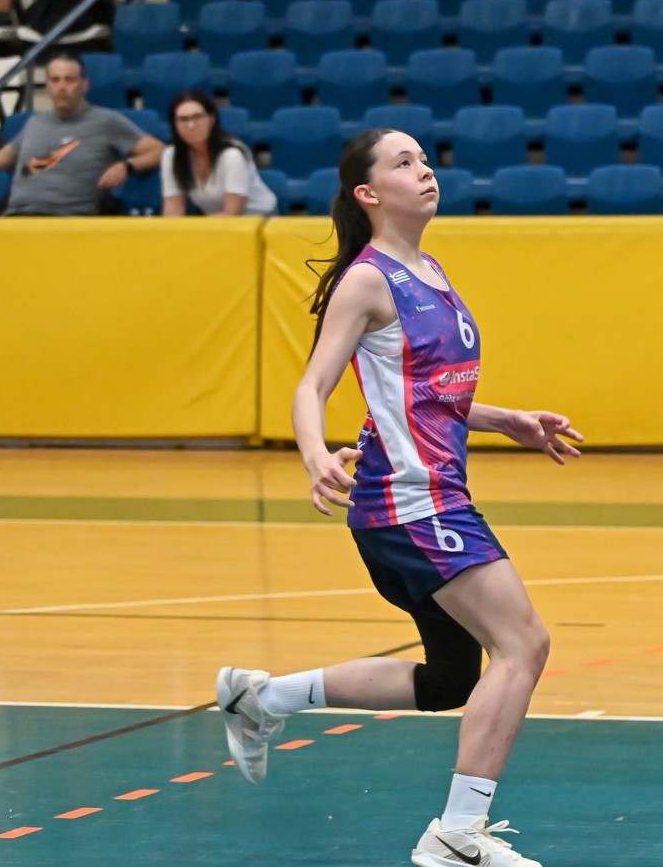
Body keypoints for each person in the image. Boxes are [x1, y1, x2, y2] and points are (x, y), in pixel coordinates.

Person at [217, 127, 583, 867]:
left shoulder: (432, 270)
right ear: (368, 192)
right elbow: (312, 385)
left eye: (424, 159)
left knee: (450, 680)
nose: (425, 171)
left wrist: (505, 419)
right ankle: (457, 835)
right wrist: (314, 454)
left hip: (431, 497)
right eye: (404, 162)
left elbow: (426, 395)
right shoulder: (367, 281)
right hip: (410, 504)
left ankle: (263, 699)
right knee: (525, 644)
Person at [0, 53, 163, 215]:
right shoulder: (35, 122)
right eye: (55, 80)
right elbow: (3, 157)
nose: (62, 87)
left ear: (84, 84)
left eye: (69, 80)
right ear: (47, 86)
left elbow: (160, 151)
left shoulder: (107, 121)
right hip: (16, 219)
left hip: (69, 220)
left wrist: (127, 166)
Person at [159, 90, 278, 216]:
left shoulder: (232, 155)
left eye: (197, 117)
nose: (191, 125)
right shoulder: (170, 155)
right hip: (216, 220)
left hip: (259, 216)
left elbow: (233, 214)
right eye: (183, 120)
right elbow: (173, 208)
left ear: (211, 119)